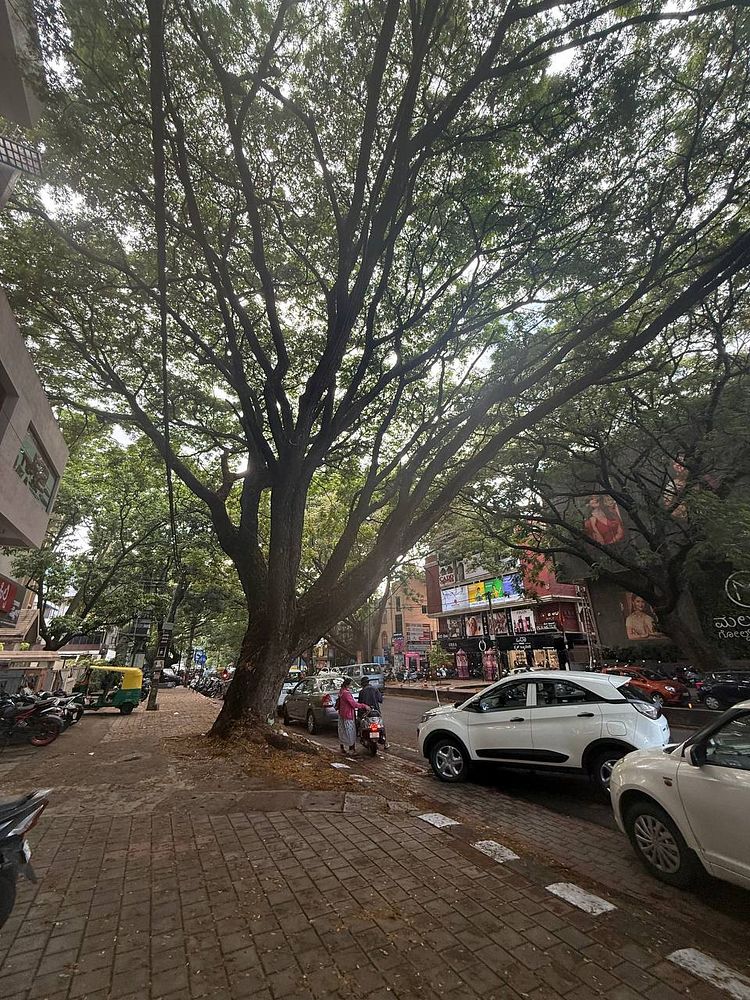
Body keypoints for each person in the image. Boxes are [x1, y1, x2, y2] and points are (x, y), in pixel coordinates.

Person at [337, 678, 367, 756]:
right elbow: (353, 704)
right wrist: (364, 706)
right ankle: (351, 749)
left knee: (343, 731)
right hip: (348, 715)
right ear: (348, 684)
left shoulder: (341, 691)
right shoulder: (346, 693)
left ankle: (342, 747)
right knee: (350, 732)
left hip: (342, 714)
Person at [359, 676, 389, 749]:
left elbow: (360, 704)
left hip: (366, 713)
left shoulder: (362, 691)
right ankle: (386, 743)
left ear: (363, 684)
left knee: (362, 726)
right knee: (381, 726)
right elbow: (380, 700)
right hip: (376, 712)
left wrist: (359, 715)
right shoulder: (375, 689)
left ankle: (362, 737)